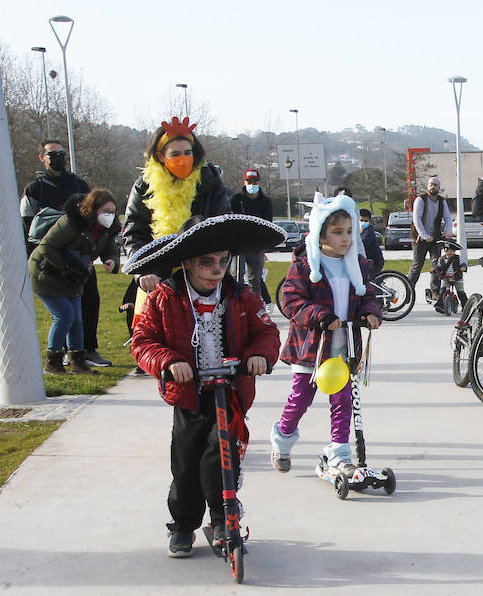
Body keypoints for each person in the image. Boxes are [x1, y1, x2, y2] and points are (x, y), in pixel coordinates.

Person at [127, 214, 283, 558]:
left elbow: (266, 332)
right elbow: (143, 341)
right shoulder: (164, 298)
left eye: (223, 261)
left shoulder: (241, 296)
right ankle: (183, 525)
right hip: (189, 395)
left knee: (221, 457)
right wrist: (168, 362)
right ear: (186, 262)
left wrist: (259, 355)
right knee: (185, 465)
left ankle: (223, 517)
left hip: (229, 393)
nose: (216, 269)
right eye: (207, 262)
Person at [269, 193, 383, 474]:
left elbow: (367, 294)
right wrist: (321, 316)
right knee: (301, 399)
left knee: (343, 400)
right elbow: (291, 301)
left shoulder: (356, 266)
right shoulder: (306, 267)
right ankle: (282, 439)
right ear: (320, 234)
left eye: (348, 232)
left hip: (344, 347)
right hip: (312, 346)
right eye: (337, 232)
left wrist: (371, 312)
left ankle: (339, 454)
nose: (345, 239)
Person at [121, 116, 232, 334]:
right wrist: (144, 270)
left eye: (188, 153)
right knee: (153, 334)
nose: (183, 159)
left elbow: (223, 225)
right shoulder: (144, 186)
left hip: (204, 273)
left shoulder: (210, 183)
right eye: (175, 154)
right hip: (159, 276)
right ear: (161, 157)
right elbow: (135, 232)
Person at [20, 140, 112, 369]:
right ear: (42, 157)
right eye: (52, 154)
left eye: (61, 153)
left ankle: (84, 353)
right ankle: (56, 356)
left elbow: (103, 230)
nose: (58, 157)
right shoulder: (36, 189)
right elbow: (32, 231)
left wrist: (106, 258)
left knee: (87, 306)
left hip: (80, 260)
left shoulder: (79, 184)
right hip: (54, 263)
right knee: (65, 315)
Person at [27, 188, 123, 375]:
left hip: (75, 278)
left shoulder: (107, 229)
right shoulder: (71, 222)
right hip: (46, 274)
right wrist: (69, 266)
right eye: (105, 211)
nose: (109, 216)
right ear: (93, 210)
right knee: (64, 316)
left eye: (112, 212)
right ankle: (53, 361)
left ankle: (78, 362)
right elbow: (46, 247)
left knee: (78, 320)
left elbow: (110, 246)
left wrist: (111, 260)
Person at [229, 168, 275, 302]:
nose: (251, 185)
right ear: (244, 182)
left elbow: (267, 224)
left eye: (254, 182)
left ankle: (255, 305)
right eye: (249, 181)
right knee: (236, 275)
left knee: (255, 278)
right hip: (239, 244)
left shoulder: (265, 202)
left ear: (259, 182)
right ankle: (235, 303)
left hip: (257, 245)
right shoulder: (236, 199)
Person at [405, 176, 452, 297]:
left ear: (439, 187)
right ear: (427, 186)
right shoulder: (421, 199)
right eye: (431, 184)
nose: (433, 186)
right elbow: (417, 218)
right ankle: (408, 290)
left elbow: (447, 218)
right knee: (417, 265)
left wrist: (448, 231)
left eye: (435, 184)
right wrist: (424, 235)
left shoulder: (442, 201)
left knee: (436, 265)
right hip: (420, 238)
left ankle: (435, 291)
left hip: (435, 238)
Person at [358, 207, 385, 278]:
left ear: (369, 221)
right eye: (361, 220)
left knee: (370, 281)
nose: (363, 222)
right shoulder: (359, 230)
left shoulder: (369, 230)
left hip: (375, 261)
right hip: (368, 260)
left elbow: (363, 243)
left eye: (366, 221)